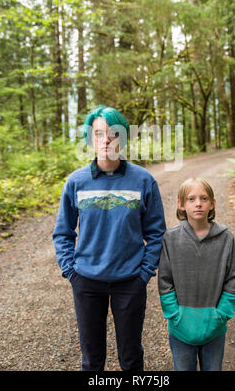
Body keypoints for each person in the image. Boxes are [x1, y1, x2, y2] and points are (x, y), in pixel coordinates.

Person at [52, 105, 166, 372]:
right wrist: (71, 271)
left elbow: (157, 232)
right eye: (99, 133)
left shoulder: (143, 180)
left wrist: (145, 272)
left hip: (130, 282)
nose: (106, 140)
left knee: (131, 357)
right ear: (90, 138)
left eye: (114, 133)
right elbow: (63, 232)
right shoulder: (76, 182)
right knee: (91, 359)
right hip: (87, 282)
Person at [158, 177, 235, 371]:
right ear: (181, 204)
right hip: (180, 328)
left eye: (204, 198)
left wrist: (221, 314)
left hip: (214, 327)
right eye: (191, 199)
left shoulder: (225, 237)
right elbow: (164, 280)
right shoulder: (170, 239)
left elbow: (233, 278)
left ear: (212, 204)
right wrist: (174, 314)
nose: (198, 204)